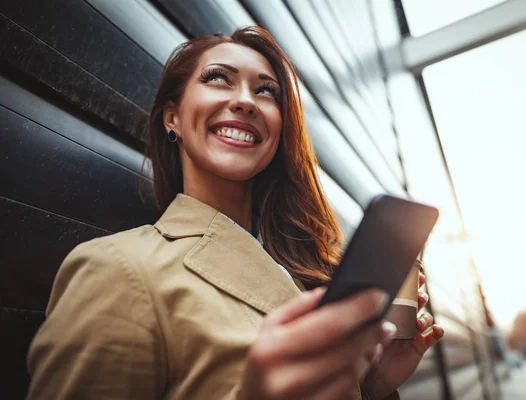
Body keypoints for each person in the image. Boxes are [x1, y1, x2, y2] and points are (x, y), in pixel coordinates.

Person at [27, 26, 444, 399]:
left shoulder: (305, 275)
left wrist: (372, 387)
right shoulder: (116, 270)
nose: (245, 100)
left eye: (266, 91)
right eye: (217, 79)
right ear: (172, 117)